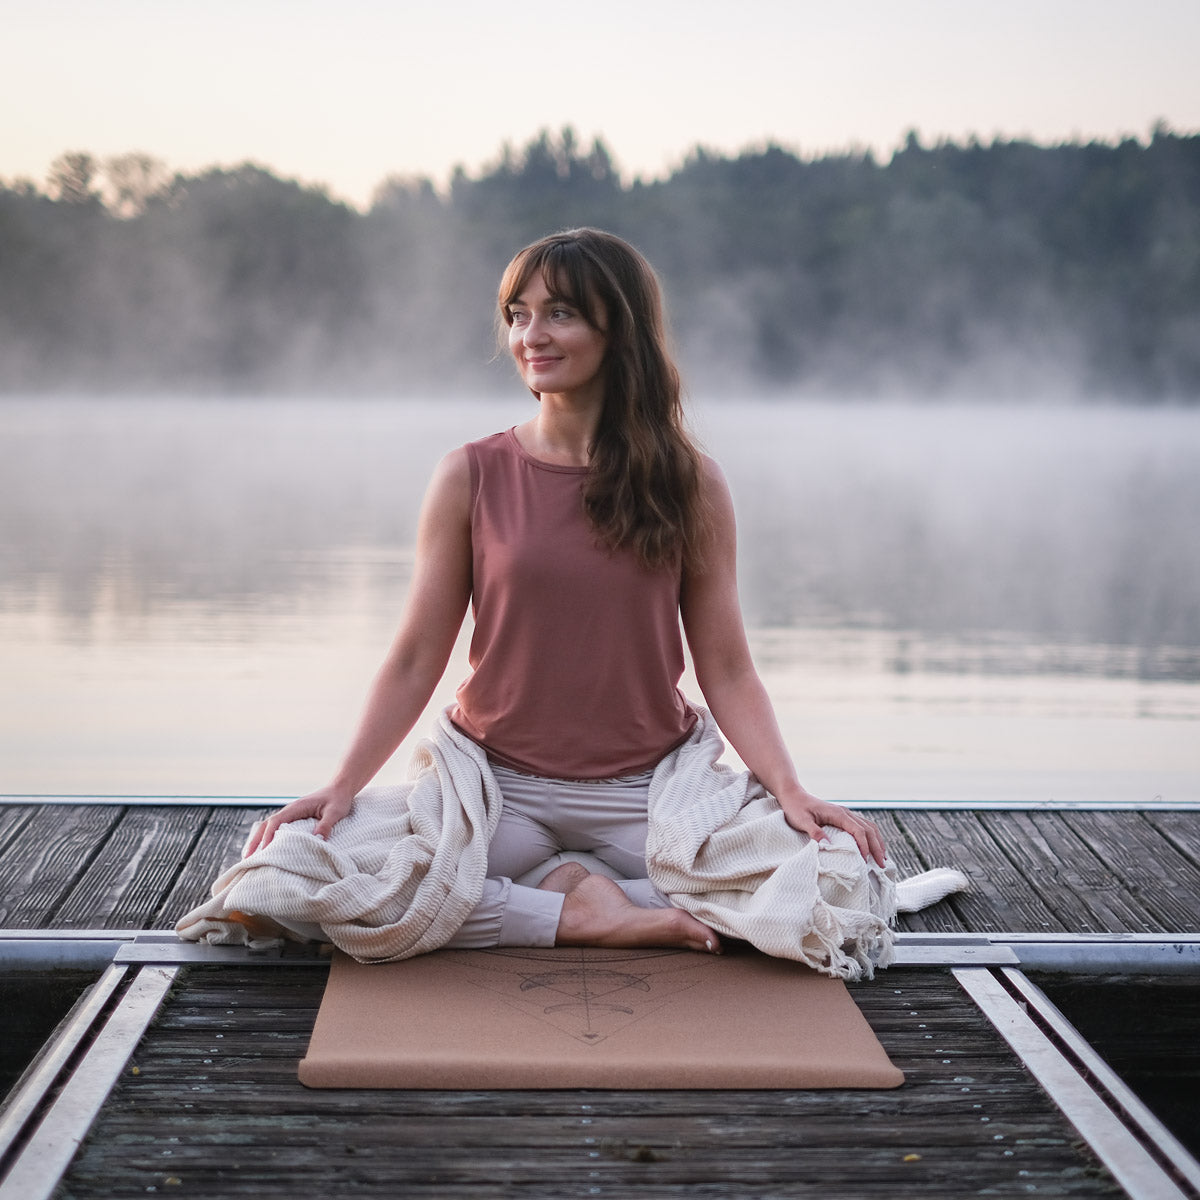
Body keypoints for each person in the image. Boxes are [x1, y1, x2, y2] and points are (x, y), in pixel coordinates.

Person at [244, 228, 886, 956]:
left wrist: (790, 790)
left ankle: (550, 893)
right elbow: (418, 657)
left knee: (839, 873)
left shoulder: (692, 483)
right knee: (284, 870)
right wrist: (342, 786)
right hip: (500, 790)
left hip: (646, 797)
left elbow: (727, 666)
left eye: (559, 314)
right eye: (517, 314)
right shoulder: (470, 473)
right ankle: (580, 913)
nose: (530, 336)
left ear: (620, 328)